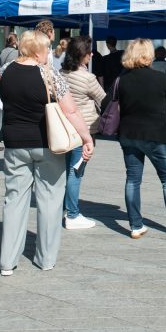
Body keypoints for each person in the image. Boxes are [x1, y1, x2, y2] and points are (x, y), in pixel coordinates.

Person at [0, 30, 93, 275]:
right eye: (47, 48)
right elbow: (70, 111)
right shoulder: (49, 74)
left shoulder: (7, 71)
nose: (49, 52)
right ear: (39, 50)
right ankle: (45, 258)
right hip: (46, 143)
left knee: (14, 200)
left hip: (14, 143)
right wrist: (86, 137)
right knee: (49, 201)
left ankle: (8, 261)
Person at [107, 38, 166, 239]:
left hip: (129, 135)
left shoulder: (121, 80)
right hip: (157, 134)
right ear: (149, 54)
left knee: (132, 180)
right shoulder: (160, 78)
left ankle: (136, 226)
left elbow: (108, 101)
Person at [60, 35, 106, 230]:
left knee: (65, 170)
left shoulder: (61, 73)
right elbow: (103, 99)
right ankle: (72, 213)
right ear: (83, 55)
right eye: (89, 51)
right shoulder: (87, 78)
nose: (92, 54)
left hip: (63, 127)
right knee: (76, 171)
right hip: (83, 128)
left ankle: (63, 208)